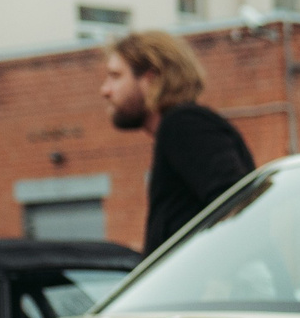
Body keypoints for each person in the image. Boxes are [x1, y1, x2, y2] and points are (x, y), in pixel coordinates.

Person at [100, 29, 254, 251]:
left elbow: (237, 205)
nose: (105, 90)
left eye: (115, 76)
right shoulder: (179, 128)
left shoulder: (184, 124)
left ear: (151, 79)